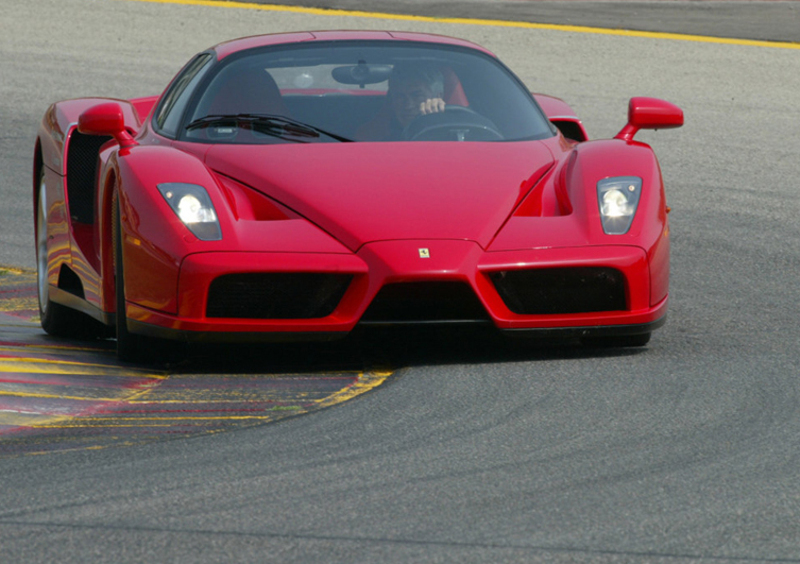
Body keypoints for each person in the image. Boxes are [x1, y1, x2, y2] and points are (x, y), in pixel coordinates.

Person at [355, 64, 447, 141]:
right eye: (400, 96)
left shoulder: (456, 131)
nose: (408, 105)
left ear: (438, 97)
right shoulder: (380, 138)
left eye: (417, 95)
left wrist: (436, 121)